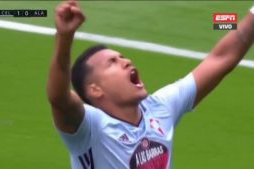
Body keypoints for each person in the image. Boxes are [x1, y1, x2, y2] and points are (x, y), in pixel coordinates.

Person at [47, 1, 254, 168]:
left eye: (122, 57)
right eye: (112, 62)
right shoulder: (90, 130)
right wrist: (65, 38)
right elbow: (59, 98)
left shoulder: (159, 108)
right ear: (95, 89)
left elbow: (222, 59)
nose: (126, 61)